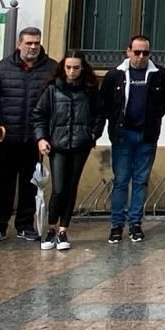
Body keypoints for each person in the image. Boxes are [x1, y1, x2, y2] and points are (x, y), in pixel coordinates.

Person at [0, 26, 55, 246]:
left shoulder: (51, 68)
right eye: (29, 43)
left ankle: (25, 225)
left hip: (34, 139)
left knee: (30, 185)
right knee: (2, 186)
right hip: (6, 139)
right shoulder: (3, 68)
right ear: (19, 44)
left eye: (36, 43)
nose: (33, 47)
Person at [98, 34, 165, 245]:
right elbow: (106, 103)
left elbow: (164, 102)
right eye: (137, 52)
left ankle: (136, 224)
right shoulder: (115, 75)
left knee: (140, 181)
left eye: (145, 53)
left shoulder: (159, 75)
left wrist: (152, 119)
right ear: (128, 51)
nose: (141, 57)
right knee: (121, 180)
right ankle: (116, 225)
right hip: (123, 135)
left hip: (147, 135)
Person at [33, 51, 105, 252]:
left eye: (76, 67)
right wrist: (41, 138)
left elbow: (100, 115)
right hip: (57, 144)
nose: (72, 71)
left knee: (72, 186)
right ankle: (51, 228)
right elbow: (39, 115)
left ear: (82, 68)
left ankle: (64, 229)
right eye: (68, 67)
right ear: (63, 67)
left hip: (81, 145)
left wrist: (92, 135)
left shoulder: (90, 90)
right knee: (58, 188)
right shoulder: (51, 90)